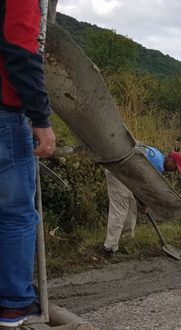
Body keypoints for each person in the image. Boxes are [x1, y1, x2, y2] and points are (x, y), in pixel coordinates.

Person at [0, 0, 57, 326]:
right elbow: (22, 51)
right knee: (16, 212)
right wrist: (40, 117)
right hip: (5, 115)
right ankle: (13, 304)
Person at [102, 146, 181, 257]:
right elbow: (144, 187)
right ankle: (109, 248)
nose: (174, 171)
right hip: (117, 172)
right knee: (120, 209)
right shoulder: (157, 165)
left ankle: (125, 240)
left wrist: (144, 202)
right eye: (175, 167)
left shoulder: (158, 155)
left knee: (131, 207)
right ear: (171, 160)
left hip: (124, 173)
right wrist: (146, 204)